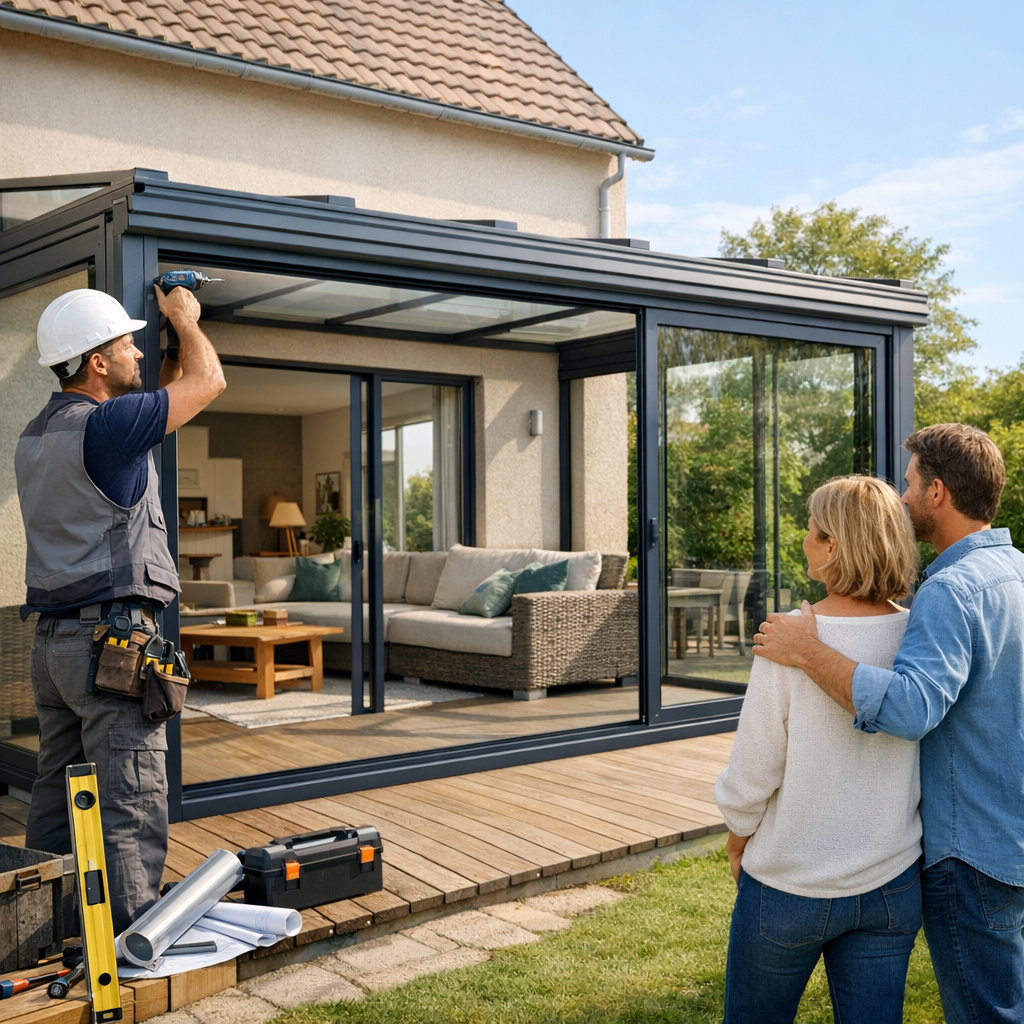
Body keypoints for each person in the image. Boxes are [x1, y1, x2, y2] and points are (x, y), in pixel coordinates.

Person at [753, 424, 1024, 1024]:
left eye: (909, 483)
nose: (900, 497)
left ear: (938, 493)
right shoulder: (1018, 573)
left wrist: (809, 650)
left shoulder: (952, 590)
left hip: (972, 850)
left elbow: (909, 709)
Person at [16, 283, 225, 933]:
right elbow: (207, 380)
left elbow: (158, 394)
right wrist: (186, 320)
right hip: (110, 646)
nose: (136, 350)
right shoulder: (109, 428)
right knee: (129, 797)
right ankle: (136, 949)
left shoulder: (37, 434)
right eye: (125, 342)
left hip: (53, 647)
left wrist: (161, 348)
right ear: (96, 362)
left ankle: (41, 929)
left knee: (55, 795)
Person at [715, 475, 921, 1024]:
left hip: (789, 885)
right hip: (891, 884)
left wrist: (738, 838)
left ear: (832, 545)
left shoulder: (786, 638)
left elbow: (754, 772)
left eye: (810, 530)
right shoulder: (920, 638)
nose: (803, 540)